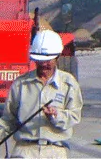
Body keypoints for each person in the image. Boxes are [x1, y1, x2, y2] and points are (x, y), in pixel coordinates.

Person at [0, 30, 82, 158]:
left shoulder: (68, 84)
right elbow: (8, 120)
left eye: (48, 61)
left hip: (55, 150)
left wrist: (56, 116)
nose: (43, 65)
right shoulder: (21, 84)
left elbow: (75, 116)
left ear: (57, 57)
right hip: (24, 150)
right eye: (40, 61)